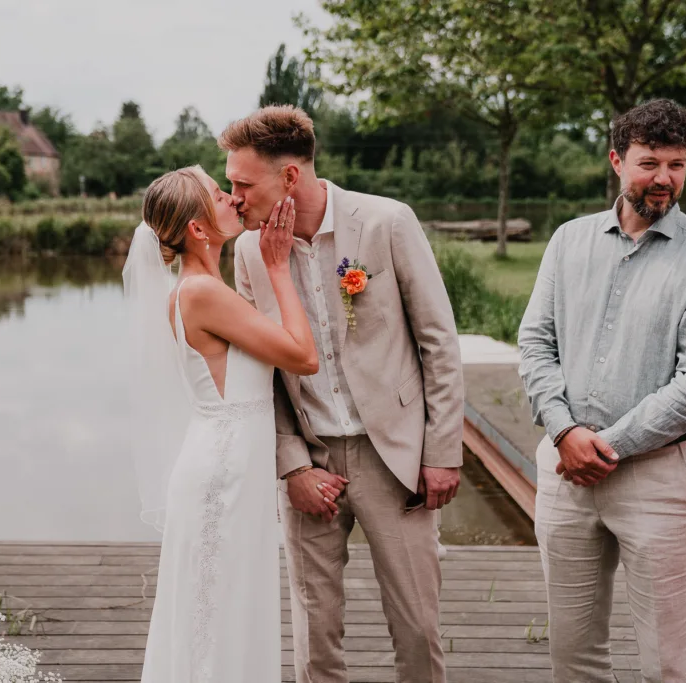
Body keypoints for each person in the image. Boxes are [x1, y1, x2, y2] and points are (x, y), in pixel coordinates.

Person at [227, 105, 465, 683]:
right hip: (312, 463)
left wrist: (441, 453)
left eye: (241, 183)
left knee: (416, 624)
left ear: (289, 178)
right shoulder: (246, 252)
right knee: (315, 629)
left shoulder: (386, 222)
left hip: (396, 459)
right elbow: (260, 371)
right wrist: (291, 466)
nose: (232, 197)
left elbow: (438, 342)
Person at [518, 99, 686, 683]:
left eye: (677, 164)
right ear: (617, 161)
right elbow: (535, 342)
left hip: (660, 478)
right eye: (650, 163)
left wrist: (605, 446)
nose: (665, 179)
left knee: (666, 666)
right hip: (566, 474)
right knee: (573, 656)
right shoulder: (568, 241)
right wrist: (565, 432)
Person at [124, 166, 319, 682]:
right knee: (213, 619)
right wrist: (278, 268)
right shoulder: (200, 294)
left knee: (228, 610)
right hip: (223, 475)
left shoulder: (208, 286)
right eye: (219, 195)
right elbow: (303, 356)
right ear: (198, 229)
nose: (234, 200)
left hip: (236, 468)